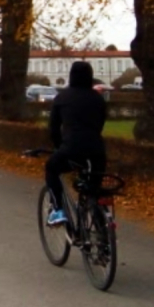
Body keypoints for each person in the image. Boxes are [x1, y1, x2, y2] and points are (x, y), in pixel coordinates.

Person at [45, 61, 108, 226]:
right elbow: (100, 124)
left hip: (71, 149)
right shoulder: (98, 99)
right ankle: (101, 227)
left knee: (51, 167)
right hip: (97, 151)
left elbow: (53, 129)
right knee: (93, 188)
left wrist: (59, 147)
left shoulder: (62, 97)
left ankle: (58, 209)